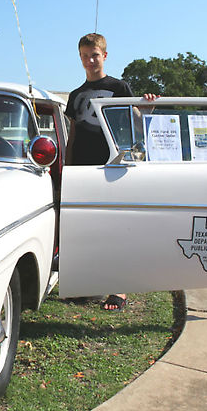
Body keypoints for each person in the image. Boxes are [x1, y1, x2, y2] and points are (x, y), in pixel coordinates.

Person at [64, 33, 157, 310]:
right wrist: (67, 169)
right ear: (80, 59)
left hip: (113, 165)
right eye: (84, 56)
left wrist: (147, 109)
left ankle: (119, 289)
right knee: (86, 228)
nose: (90, 60)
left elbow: (136, 123)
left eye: (94, 55)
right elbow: (73, 134)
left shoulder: (119, 87)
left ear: (104, 56)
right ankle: (88, 285)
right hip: (82, 167)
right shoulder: (75, 95)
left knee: (116, 227)